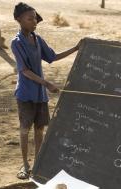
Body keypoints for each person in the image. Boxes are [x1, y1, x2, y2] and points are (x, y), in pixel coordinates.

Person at [11, 2, 81, 179]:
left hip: (40, 94)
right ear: (19, 20)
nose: (34, 21)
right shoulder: (16, 43)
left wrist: (76, 48)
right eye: (30, 18)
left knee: (39, 130)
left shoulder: (38, 39)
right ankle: (25, 166)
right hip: (26, 94)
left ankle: (38, 164)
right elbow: (24, 71)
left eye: (35, 18)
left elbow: (53, 57)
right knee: (25, 130)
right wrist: (46, 83)